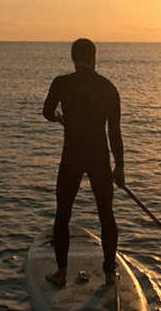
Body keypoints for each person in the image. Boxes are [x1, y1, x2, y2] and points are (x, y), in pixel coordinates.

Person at [43, 39, 125, 287]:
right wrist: (119, 166)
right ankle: (110, 271)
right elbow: (115, 133)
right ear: (95, 58)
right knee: (106, 215)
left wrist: (59, 118)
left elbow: (47, 112)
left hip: (72, 157)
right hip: (99, 157)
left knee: (63, 213)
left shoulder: (62, 83)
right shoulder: (108, 88)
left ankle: (61, 272)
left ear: (73, 58)